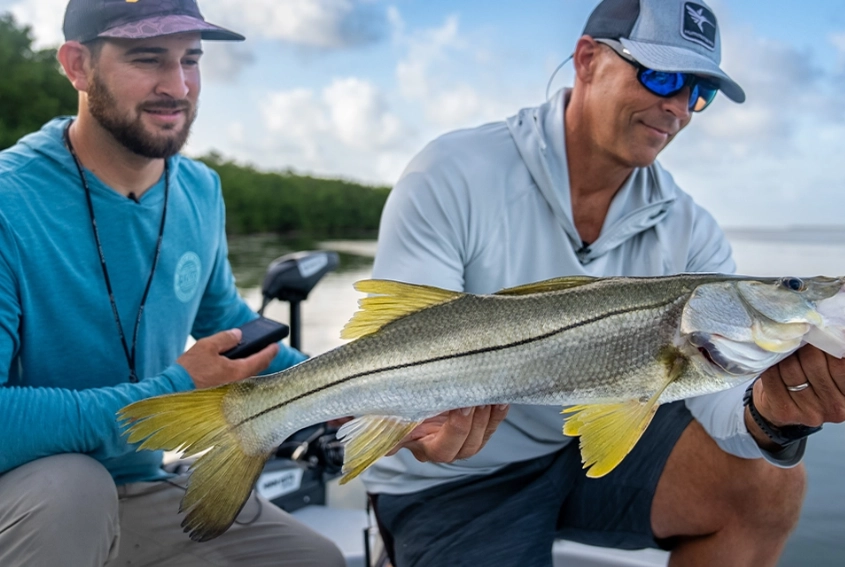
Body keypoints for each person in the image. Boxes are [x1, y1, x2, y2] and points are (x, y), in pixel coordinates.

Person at [362, 0, 845, 566]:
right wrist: (418, 421)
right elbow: (402, 339)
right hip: (456, 475)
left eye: (698, 92)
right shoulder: (453, 171)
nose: (677, 107)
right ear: (587, 59)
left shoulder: (692, 230)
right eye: (661, 75)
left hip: (586, 449)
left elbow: (718, 404)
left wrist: (775, 408)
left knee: (771, 486)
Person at [0, 0, 345, 565]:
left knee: (312, 558)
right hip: (27, 493)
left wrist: (340, 393)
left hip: (137, 486)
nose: (178, 86)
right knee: (74, 488)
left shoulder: (200, 190)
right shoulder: (9, 201)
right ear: (77, 66)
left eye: (191, 59)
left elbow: (228, 320)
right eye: (148, 59)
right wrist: (173, 393)